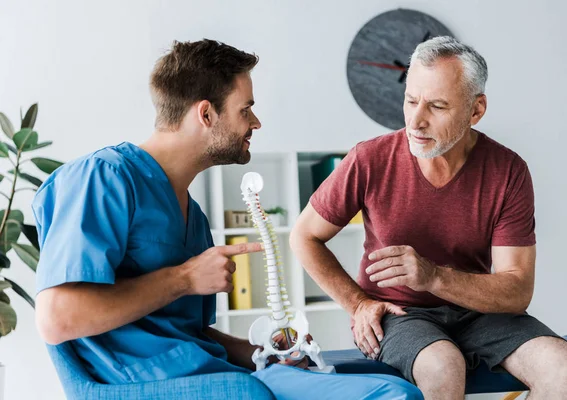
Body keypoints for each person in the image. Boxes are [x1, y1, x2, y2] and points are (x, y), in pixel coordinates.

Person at [33, 39, 422, 400]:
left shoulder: (194, 217)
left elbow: (191, 334)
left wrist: (266, 353)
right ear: (206, 113)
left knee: (396, 390)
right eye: (245, 109)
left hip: (209, 369)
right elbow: (57, 319)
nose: (255, 123)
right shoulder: (104, 178)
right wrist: (183, 279)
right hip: (145, 382)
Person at [290, 36, 567, 400]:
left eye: (437, 106)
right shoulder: (369, 159)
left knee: (562, 366)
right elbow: (304, 236)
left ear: (476, 111)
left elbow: (517, 290)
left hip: (479, 312)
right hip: (400, 314)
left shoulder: (508, 170)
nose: (417, 120)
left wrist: (431, 276)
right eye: (411, 101)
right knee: (443, 365)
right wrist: (359, 304)